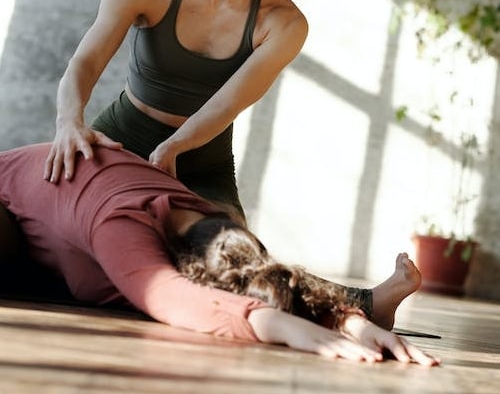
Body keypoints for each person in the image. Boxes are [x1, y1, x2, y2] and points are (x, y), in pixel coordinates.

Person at [0, 143, 439, 365]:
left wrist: (347, 320)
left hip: (55, 230)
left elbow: (261, 278)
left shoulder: (203, 213)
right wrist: (277, 326)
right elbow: (169, 295)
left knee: (87, 281)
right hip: (18, 202)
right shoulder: (120, 222)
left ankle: (370, 306)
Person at [44, 0, 309, 223]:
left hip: (203, 161)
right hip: (120, 139)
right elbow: (85, 63)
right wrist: (69, 122)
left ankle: (363, 285)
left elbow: (226, 105)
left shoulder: (284, 23)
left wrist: (174, 147)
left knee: (234, 259)